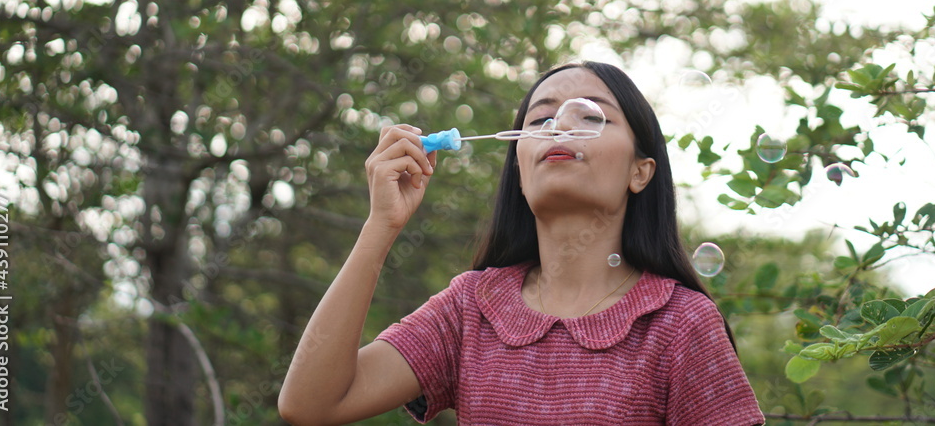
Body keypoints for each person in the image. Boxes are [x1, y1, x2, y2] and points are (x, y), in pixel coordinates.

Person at [278, 61, 765, 426]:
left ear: (641, 171)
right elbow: (311, 404)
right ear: (519, 167)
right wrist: (380, 227)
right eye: (540, 120)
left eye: (592, 117)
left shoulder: (680, 325)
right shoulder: (473, 307)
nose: (558, 127)